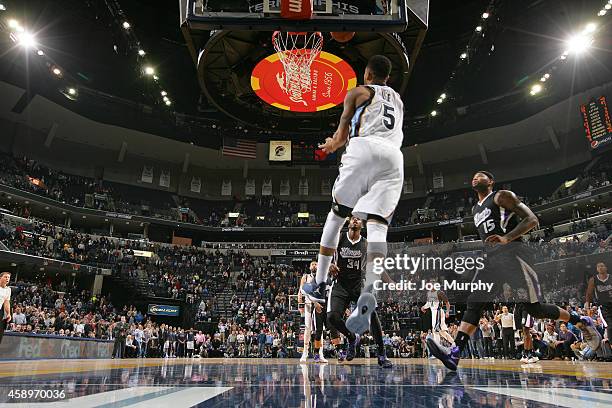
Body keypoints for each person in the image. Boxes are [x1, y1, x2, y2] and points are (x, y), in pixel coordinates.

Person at [427, 171, 601, 370]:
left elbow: (532, 219)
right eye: (473, 176)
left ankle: (581, 321)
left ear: (490, 181)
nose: (475, 178)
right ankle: (455, 353)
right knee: (474, 304)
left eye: (480, 175)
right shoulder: (475, 209)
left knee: (535, 309)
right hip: (491, 262)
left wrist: (507, 238)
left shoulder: (501, 196)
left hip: (514, 256)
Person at [301, 54, 404, 337]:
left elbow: (343, 130)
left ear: (367, 75)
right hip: (394, 159)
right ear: (388, 77)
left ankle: (320, 282)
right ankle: (370, 288)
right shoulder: (398, 100)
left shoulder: (359, 91)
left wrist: (332, 145)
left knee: (337, 215)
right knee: (378, 227)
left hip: (364, 149)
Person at [325, 216, 392, 367]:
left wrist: (391, 282)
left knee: (372, 313)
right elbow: (324, 254)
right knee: (332, 317)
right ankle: (351, 337)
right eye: (353, 218)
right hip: (340, 284)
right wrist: (329, 265)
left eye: (358, 219)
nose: (355, 220)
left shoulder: (366, 243)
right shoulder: (339, 238)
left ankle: (382, 354)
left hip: (358, 284)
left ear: (362, 224)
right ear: (349, 222)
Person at [298, 261, 327, 363]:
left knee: (320, 330)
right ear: (310, 267)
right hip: (308, 305)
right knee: (307, 329)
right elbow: (300, 291)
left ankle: (320, 353)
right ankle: (305, 353)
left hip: (319, 306)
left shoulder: (322, 277)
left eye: (316, 264)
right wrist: (299, 303)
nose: (314, 266)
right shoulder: (305, 277)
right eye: (312, 264)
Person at [585, 262, 611, 344]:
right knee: (610, 326)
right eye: (598, 267)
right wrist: (588, 307)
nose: (600, 268)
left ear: (606, 268)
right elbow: (589, 293)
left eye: (602, 266)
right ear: (597, 269)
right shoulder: (593, 279)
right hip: (603, 307)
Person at [0, 272, 12, 345]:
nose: (7, 278)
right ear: (0, 278)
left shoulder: (8, 289)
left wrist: (8, 313)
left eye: (8, 277)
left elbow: (6, 302)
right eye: (5, 277)